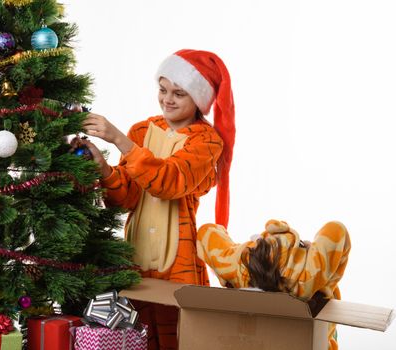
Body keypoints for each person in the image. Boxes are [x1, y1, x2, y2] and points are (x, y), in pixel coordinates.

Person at [77, 49, 235, 350]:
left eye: (179, 93)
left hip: (178, 261)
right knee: (137, 335)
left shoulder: (207, 142)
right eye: (162, 90)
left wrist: (118, 140)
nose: (167, 100)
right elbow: (126, 197)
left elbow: (169, 181)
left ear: (199, 99)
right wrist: (104, 168)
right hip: (135, 256)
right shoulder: (141, 131)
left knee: (181, 333)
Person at [196, 219, 351, 350]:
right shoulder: (307, 276)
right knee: (325, 292)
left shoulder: (239, 268)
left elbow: (206, 232)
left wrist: (240, 250)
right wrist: (310, 248)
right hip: (312, 339)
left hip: (252, 336)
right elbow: (336, 229)